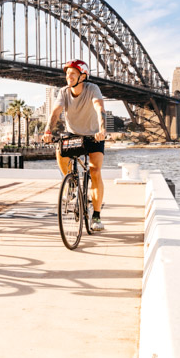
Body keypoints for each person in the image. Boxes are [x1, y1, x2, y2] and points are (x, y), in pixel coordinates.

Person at [42, 60, 107, 231]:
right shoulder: (64, 92)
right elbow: (55, 112)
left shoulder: (92, 89)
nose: (68, 77)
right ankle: (70, 182)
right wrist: (48, 131)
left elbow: (99, 107)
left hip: (94, 134)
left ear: (82, 76)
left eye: (72, 74)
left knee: (95, 171)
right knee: (60, 151)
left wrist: (102, 129)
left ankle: (97, 216)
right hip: (73, 134)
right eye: (67, 74)